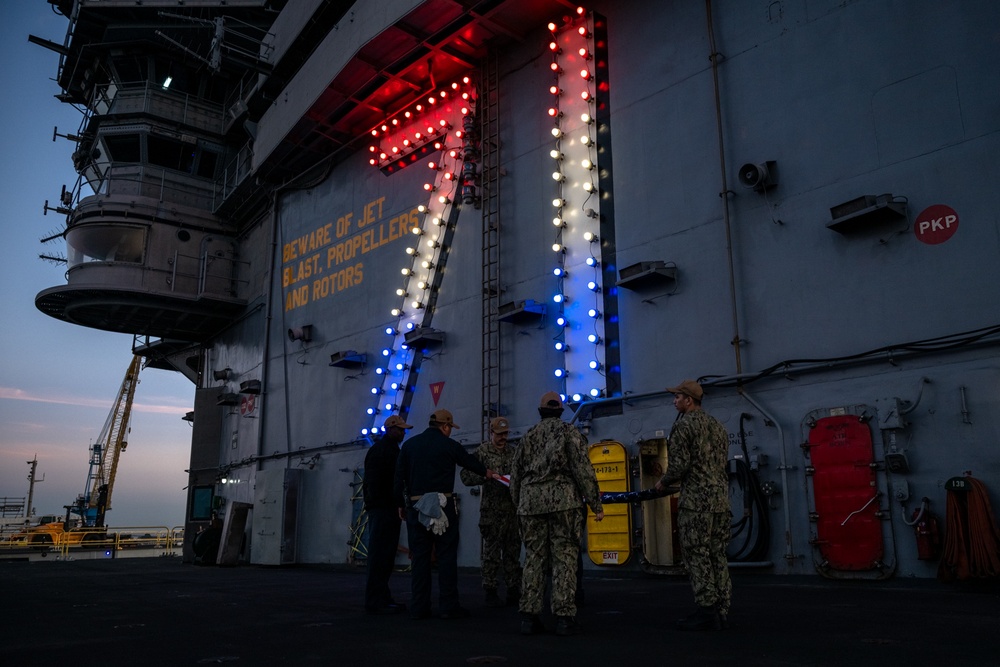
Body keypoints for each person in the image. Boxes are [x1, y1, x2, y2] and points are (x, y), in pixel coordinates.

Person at [510, 391, 604, 637]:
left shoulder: (527, 437)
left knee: (534, 558)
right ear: (561, 411)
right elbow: (583, 469)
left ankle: (529, 618)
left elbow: (515, 477)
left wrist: (520, 505)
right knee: (565, 558)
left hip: (530, 504)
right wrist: (596, 504)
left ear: (540, 412)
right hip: (564, 503)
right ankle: (564, 617)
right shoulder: (568, 432)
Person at [393, 409, 495, 620]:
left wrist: (400, 505)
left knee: (420, 557)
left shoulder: (409, 446)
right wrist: (487, 472)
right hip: (443, 506)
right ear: (446, 427)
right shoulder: (449, 445)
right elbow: (468, 462)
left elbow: (399, 477)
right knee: (446, 556)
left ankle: (419, 607)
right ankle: (448, 606)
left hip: (416, 505)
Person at [654, 379, 732, 631]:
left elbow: (679, 466)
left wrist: (663, 483)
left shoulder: (684, 426)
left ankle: (706, 610)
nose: (674, 401)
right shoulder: (717, 426)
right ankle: (722, 608)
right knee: (717, 554)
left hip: (696, 502)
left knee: (696, 554)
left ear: (689, 400)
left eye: (677, 397)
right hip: (720, 501)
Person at [460, 417, 522, 607]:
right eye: (500, 434)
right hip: (492, 511)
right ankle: (490, 589)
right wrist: (485, 476)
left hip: (511, 510)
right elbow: (465, 476)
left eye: (506, 434)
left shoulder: (514, 452)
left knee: (513, 552)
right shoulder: (482, 452)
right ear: (491, 433)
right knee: (491, 553)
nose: (503, 438)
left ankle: (513, 589)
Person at [363, 414, 412, 614]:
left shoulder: (380, 450)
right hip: (384, 509)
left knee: (382, 555)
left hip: (382, 509)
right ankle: (377, 600)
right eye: (400, 429)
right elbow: (390, 483)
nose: (403, 432)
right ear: (391, 429)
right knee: (382, 556)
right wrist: (397, 504)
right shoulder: (388, 452)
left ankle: (380, 598)